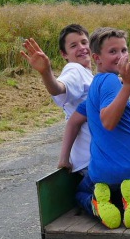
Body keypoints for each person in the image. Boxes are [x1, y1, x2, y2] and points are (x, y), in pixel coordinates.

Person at [59, 27, 130, 229]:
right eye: (113, 52)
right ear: (97, 58)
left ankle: (100, 203)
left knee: (82, 192)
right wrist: (128, 85)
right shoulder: (112, 81)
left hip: (104, 177)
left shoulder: (95, 85)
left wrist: (64, 158)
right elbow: (108, 121)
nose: (121, 56)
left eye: (124, 50)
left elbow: (74, 121)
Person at [20, 25, 92, 173]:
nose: (81, 47)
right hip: (91, 159)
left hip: (91, 157)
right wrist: (46, 73)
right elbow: (58, 88)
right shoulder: (74, 69)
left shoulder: (89, 75)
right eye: (73, 45)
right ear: (64, 54)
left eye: (84, 42)